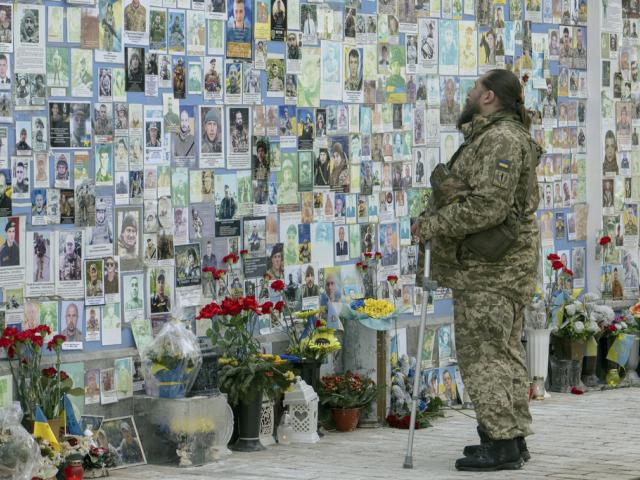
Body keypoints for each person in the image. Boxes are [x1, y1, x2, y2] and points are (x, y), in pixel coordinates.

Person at [413, 69, 540, 471]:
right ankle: (507, 437)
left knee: (484, 354)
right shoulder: (493, 135)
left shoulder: (501, 139)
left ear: (489, 98)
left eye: (475, 88)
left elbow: (490, 207)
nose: (468, 93)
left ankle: (502, 443)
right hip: (493, 268)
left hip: (492, 270)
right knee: (503, 352)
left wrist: (433, 225)